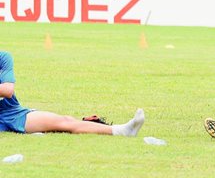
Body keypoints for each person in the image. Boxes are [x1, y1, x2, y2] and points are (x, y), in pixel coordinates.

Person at [0, 51, 144, 136]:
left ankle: (123, 130)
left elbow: (7, 90)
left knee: (65, 121)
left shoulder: (3, 57)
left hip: (10, 113)